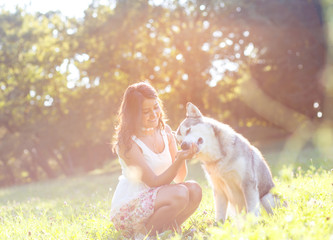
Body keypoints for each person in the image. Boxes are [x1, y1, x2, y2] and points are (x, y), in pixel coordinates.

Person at [110, 82, 202, 238]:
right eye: (146, 111)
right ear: (133, 114)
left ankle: (167, 231)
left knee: (194, 189)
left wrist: (183, 156)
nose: (154, 114)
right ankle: (143, 235)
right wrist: (179, 159)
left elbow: (180, 177)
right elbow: (153, 182)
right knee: (180, 193)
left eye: (156, 107)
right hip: (130, 207)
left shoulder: (165, 131)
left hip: (159, 199)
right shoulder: (128, 143)